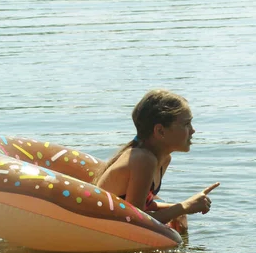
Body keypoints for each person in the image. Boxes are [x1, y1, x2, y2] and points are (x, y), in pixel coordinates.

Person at [94, 89, 219, 232]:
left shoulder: (163, 159)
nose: (193, 130)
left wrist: (180, 209)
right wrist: (183, 207)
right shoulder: (143, 160)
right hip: (99, 227)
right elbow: (135, 219)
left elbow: (146, 206)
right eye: (186, 124)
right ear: (160, 131)